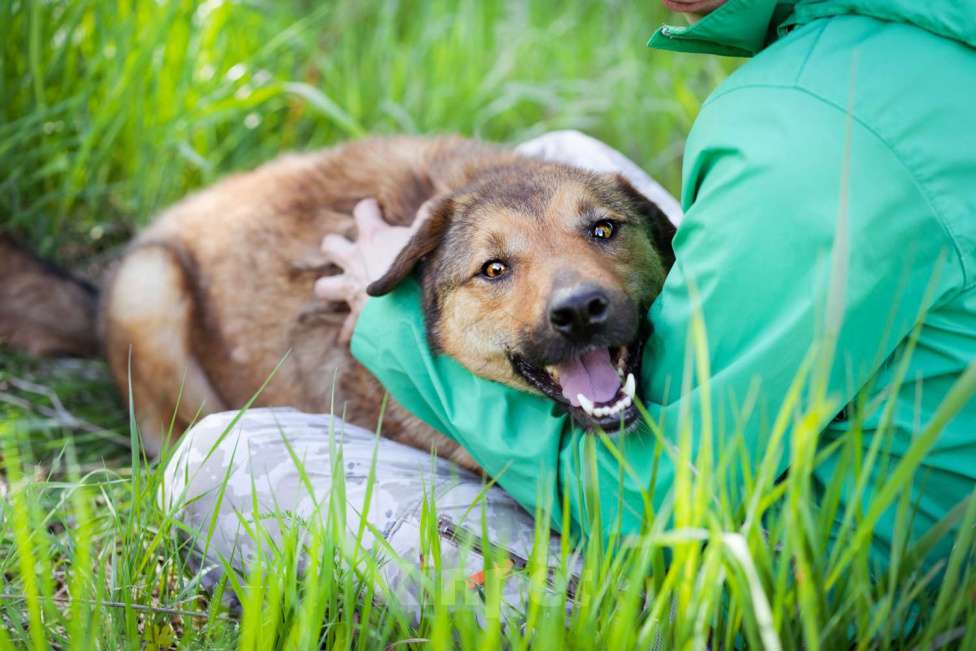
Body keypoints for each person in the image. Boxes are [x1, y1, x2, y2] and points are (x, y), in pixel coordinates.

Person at [163, 0, 976, 614]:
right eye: (495, 268)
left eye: (603, 232)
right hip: (879, 468)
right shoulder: (913, 44)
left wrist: (396, 328)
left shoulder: (809, 121)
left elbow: (660, 498)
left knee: (223, 460)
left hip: (805, 591)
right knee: (562, 159)